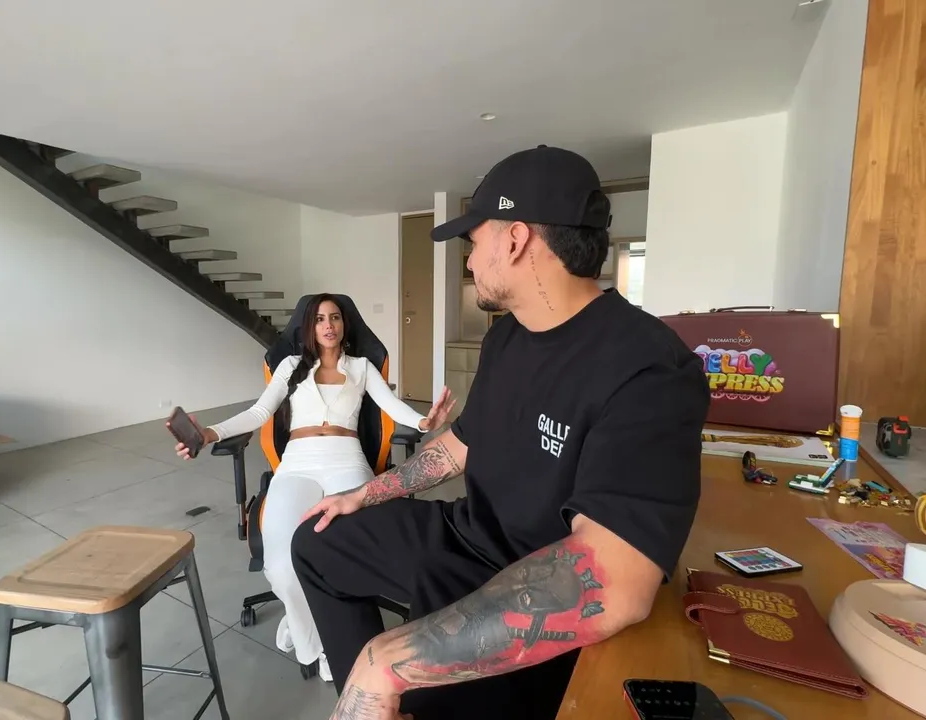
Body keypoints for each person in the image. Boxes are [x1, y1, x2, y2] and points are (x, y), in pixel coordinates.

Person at [292, 146, 711, 719]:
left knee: (419, 686)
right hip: (469, 536)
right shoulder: (506, 337)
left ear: (515, 239)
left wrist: (387, 660)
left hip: (540, 579)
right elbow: (461, 444)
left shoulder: (650, 367)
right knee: (317, 541)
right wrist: (365, 493)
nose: (469, 262)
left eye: (474, 241)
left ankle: (388, 688)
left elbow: (612, 582)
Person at [172, 293, 455, 682]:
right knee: (281, 564)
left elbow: (392, 406)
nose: (328, 325)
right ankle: (309, 637)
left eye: (334, 317)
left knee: (343, 550)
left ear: (344, 324)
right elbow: (259, 412)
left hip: (347, 461)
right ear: (309, 327)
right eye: (319, 318)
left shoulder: (361, 367)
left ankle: (327, 647)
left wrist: (424, 422)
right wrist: (209, 433)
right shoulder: (291, 366)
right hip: (298, 464)